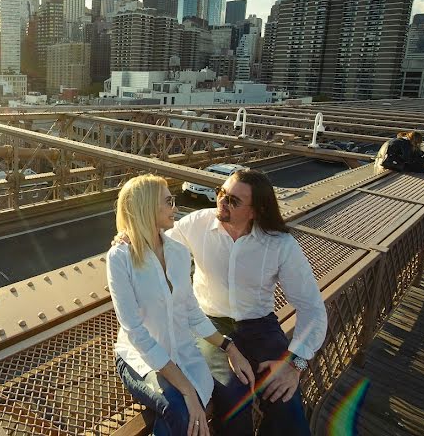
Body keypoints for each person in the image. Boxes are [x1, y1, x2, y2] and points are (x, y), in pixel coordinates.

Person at [167, 169, 327, 436]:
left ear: (255, 211)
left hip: (260, 327)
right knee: (232, 397)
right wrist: (128, 239)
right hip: (210, 326)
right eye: (221, 193)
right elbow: (157, 247)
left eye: (233, 201)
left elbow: (313, 309)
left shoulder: (279, 244)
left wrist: (294, 365)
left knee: (284, 399)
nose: (221, 202)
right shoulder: (197, 224)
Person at [107, 174, 255, 436]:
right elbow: (136, 333)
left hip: (183, 353)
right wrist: (186, 388)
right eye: (168, 201)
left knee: (193, 410)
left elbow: (191, 312)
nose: (175, 207)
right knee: (182, 407)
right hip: (140, 360)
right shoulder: (120, 257)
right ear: (147, 207)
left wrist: (229, 347)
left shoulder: (177, 251)